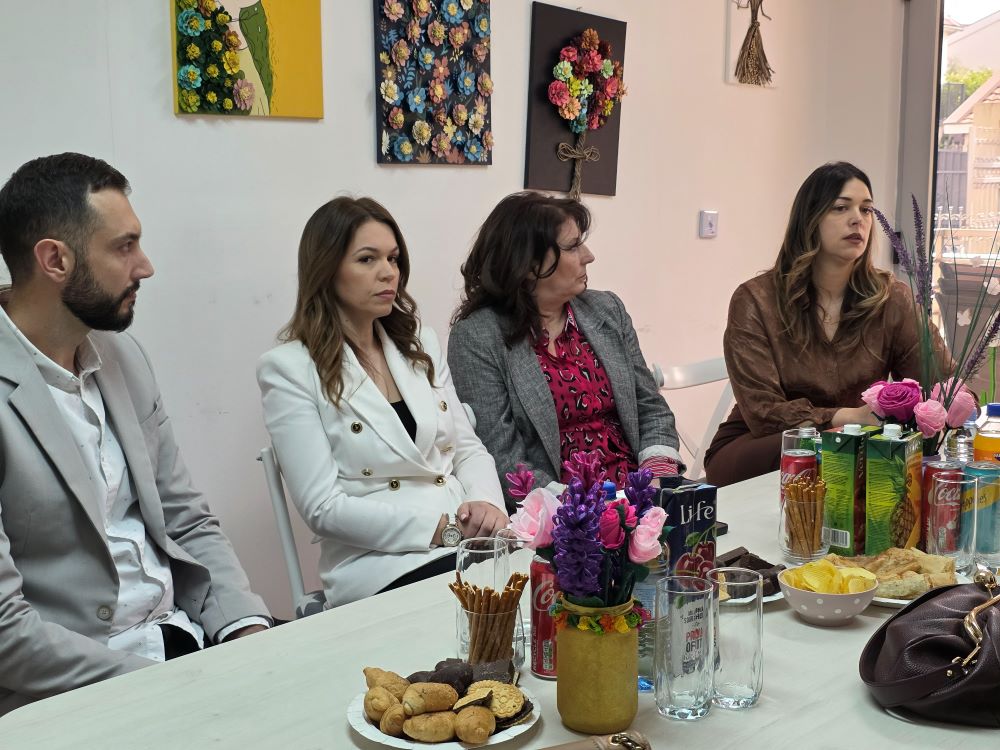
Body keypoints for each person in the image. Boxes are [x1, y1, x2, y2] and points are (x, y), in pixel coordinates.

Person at [0, 153, 270, 716]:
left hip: (184, 639)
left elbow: (186, 518)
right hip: (74, 688)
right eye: (124, 247)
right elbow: (6, 630)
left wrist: (245, 628)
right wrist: (169, 685)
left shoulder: (122, 355)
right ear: (54, 260)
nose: (145, 266)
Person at [257, 196, 508, 609]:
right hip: (381, 563)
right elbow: (323, 508)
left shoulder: (419, 343)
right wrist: (440, 529)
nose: (388, 272)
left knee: (550, 585)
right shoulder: (289, 368)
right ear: (326, 270)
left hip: (466, 544)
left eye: (393, 258)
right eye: (367, 259)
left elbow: (466, 448)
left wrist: (487, 505)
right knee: (484, 607)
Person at [704, 161, 944, 486]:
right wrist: (846, 418)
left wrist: (941, 408)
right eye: (841, 207)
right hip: (761, 444)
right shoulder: (755, 299)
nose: (858, 219)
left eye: (866, 209)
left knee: (853, 457)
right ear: (810, 219)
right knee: (822, 451)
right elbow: (763, 412)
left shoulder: (892, 298)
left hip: (854, 444)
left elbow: (940, 385)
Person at [448, 192, 684, 512]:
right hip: (559, 515)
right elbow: (502, 459)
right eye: (573, 246)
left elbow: (650, 407)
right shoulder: (478, 336)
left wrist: (654, 481)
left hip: (639, 496)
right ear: (529, 264)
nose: (589, 256)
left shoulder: (607, 309)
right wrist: (583, 508)